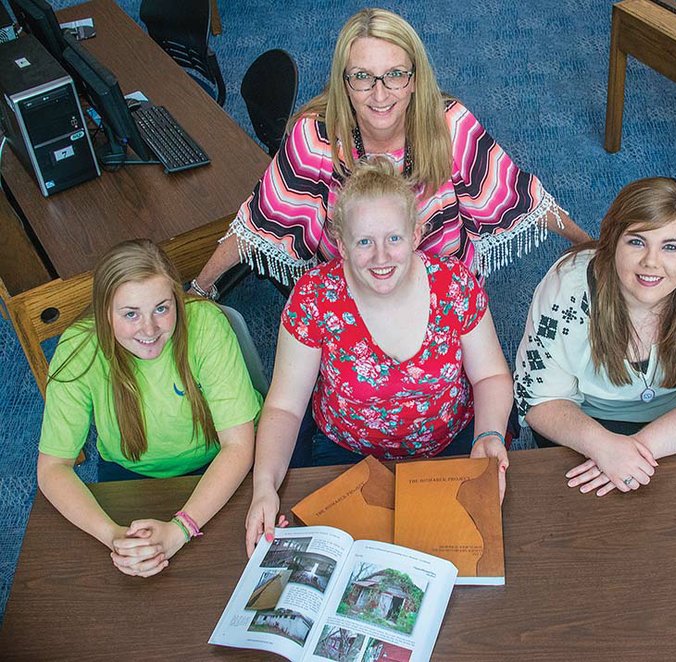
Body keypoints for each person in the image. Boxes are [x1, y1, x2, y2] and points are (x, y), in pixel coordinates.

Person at [190, 7, 590, 300]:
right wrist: (198, 290)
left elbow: (521, 197)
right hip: (354, 296)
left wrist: (589, 244)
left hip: (440, 293)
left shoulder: (449, 127)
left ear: (415, 80)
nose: (380, 95)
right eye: (363, 77)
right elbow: (261, 221)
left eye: (395, 75)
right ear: (344, 83)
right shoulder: (316, 139)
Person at [244, 158, 513, 555]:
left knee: (458, 563)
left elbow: (490, 376)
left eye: (394, 239)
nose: (381, 257)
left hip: (449, 444)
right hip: (346, 454)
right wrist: (264, 485)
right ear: (341, 242)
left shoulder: (455, 284)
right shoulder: (315, 297)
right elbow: (284, 406)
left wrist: (489, 433)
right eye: (364, 242)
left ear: (417, 233)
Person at [513, 177, 676, 528]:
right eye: (637, 241)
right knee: (581, 536)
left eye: (671, 246)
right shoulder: (566, 287)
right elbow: (540, 400)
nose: (651, 262)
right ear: (612, 243)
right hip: (587, 418)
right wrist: (602, 445)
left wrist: (638, 449)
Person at [37, 239, 262, 577]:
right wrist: (113, 536)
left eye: (161, 308)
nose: (149, 329)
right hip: (132, 472)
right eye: (130, 314)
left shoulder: (206, 325)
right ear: (104, 314)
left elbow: (239, 445)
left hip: (222, 460)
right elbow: (53, 468)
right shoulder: (78, 349)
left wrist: (180, 529)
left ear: (177, 299)